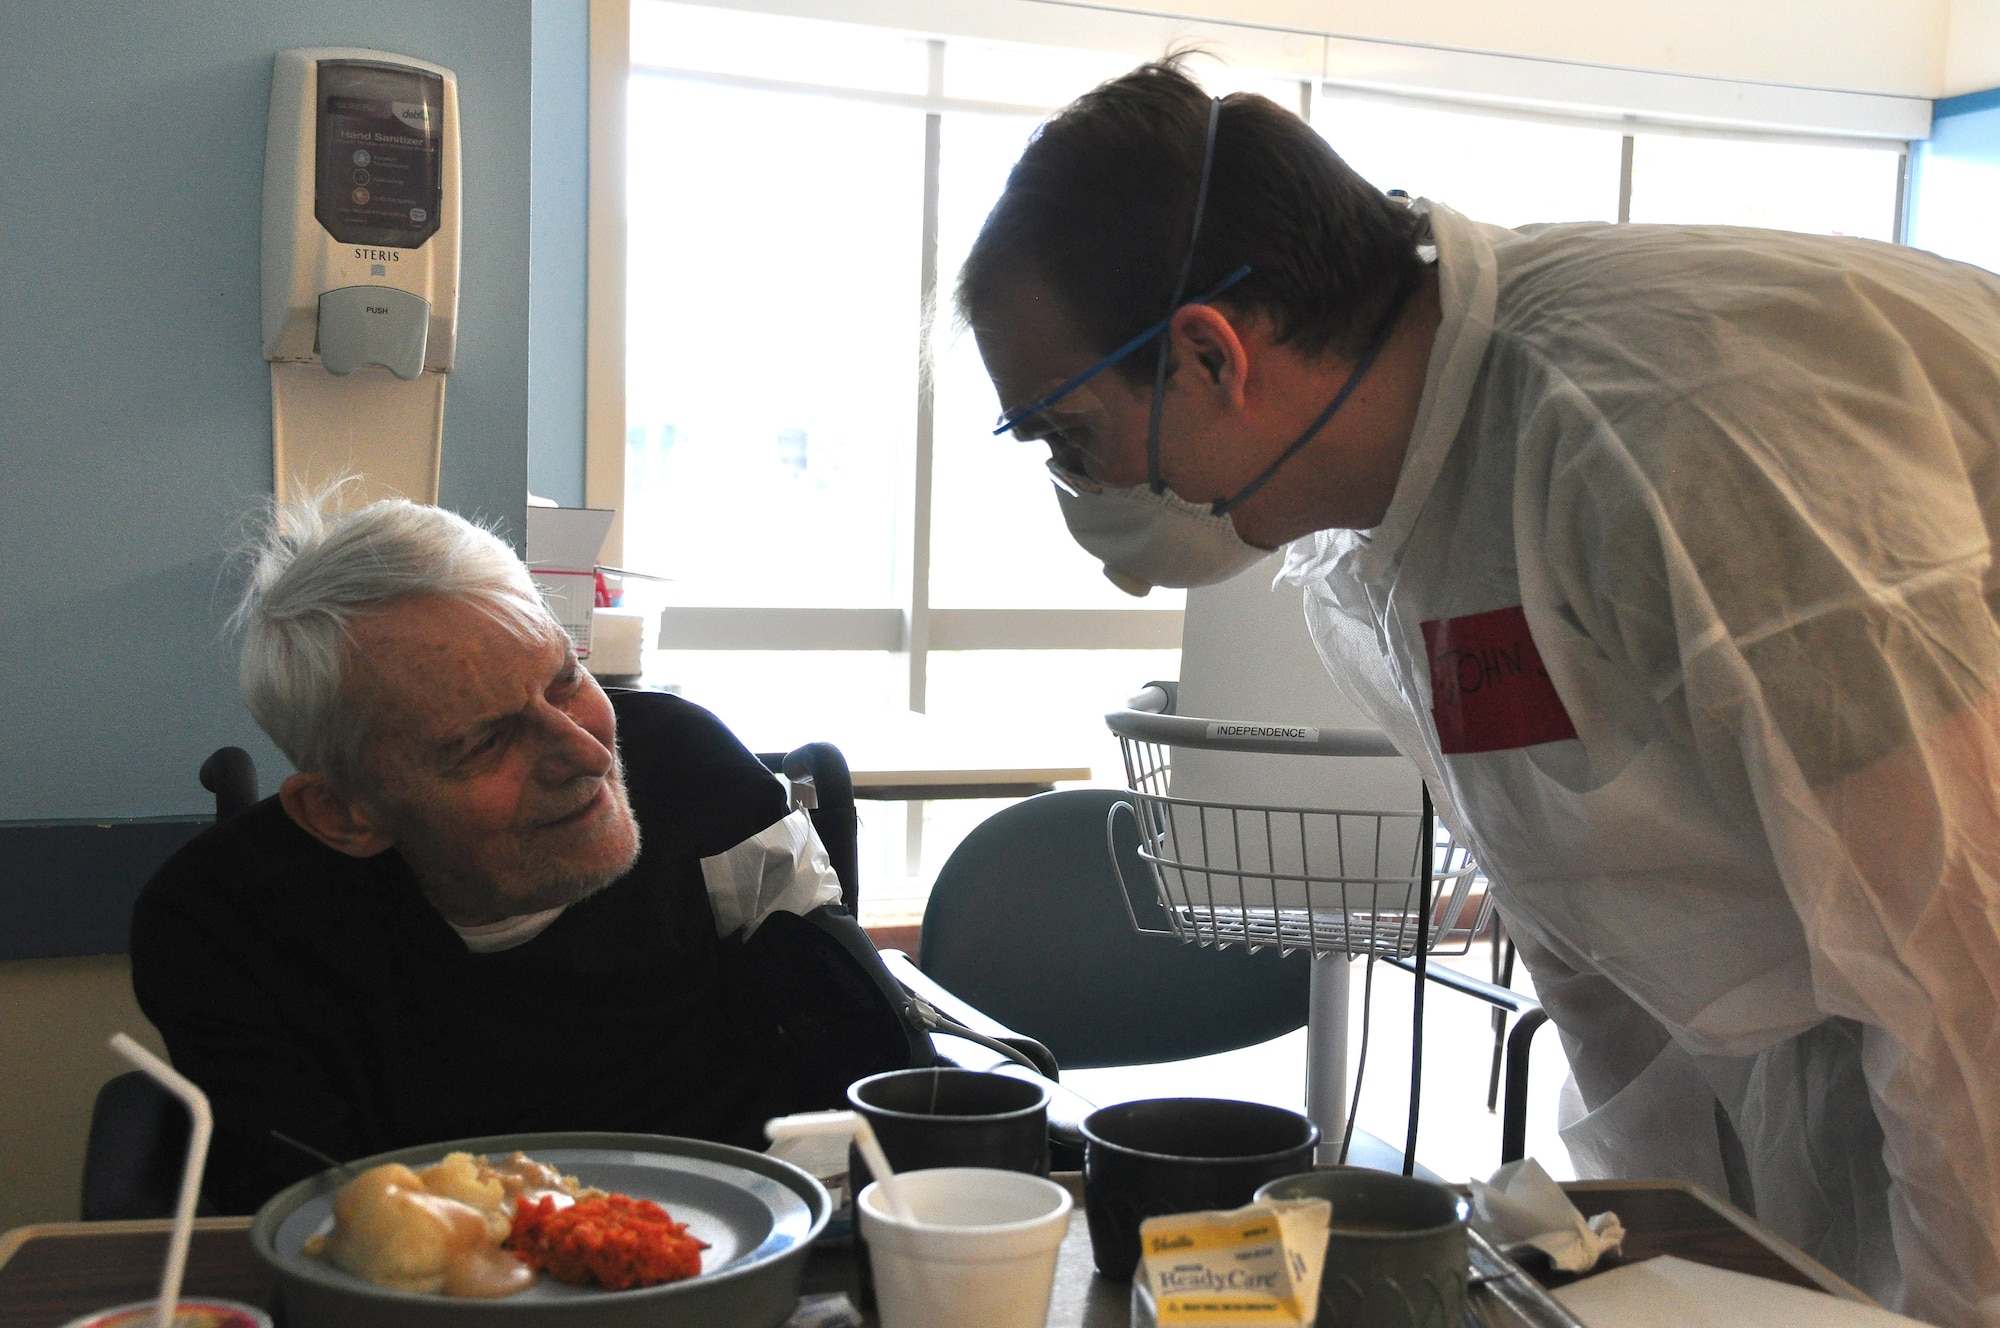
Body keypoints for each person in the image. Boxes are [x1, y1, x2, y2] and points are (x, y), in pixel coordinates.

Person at [959, 58, 2000, 1325]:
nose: (1077, 488)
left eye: (1066, 438)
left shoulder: (1650, 432)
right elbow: (1591, 927)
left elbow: (1965, 963)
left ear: (1205, 353)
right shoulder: (1383, 540)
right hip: (1862, 1031)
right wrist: (1628, 1270)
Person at [131, 495, 921, 1213]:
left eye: (565, 678)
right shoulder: (226, 927)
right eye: (485, 741)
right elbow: (307, 1226)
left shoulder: (698, 784)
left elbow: (866, 1076)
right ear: (344, 813)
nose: (585, 751)